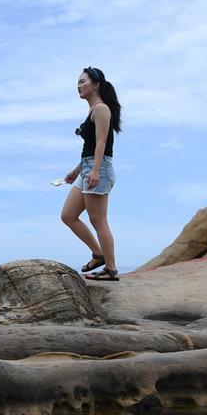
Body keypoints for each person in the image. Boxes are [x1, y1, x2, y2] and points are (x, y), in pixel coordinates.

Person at [61, 66, 122, 281]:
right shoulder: (92, 110)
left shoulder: (101, 109)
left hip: (99, 168)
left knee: (98, 220)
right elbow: (89, 148)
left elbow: (101, 143)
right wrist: (76, 171)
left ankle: (111, 270)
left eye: (83, 81)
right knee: (68, 215)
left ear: (96, 84)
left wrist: (95, 171)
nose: (78, 86)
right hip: (88, 167)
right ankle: (98, 254)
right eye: (78, 82)